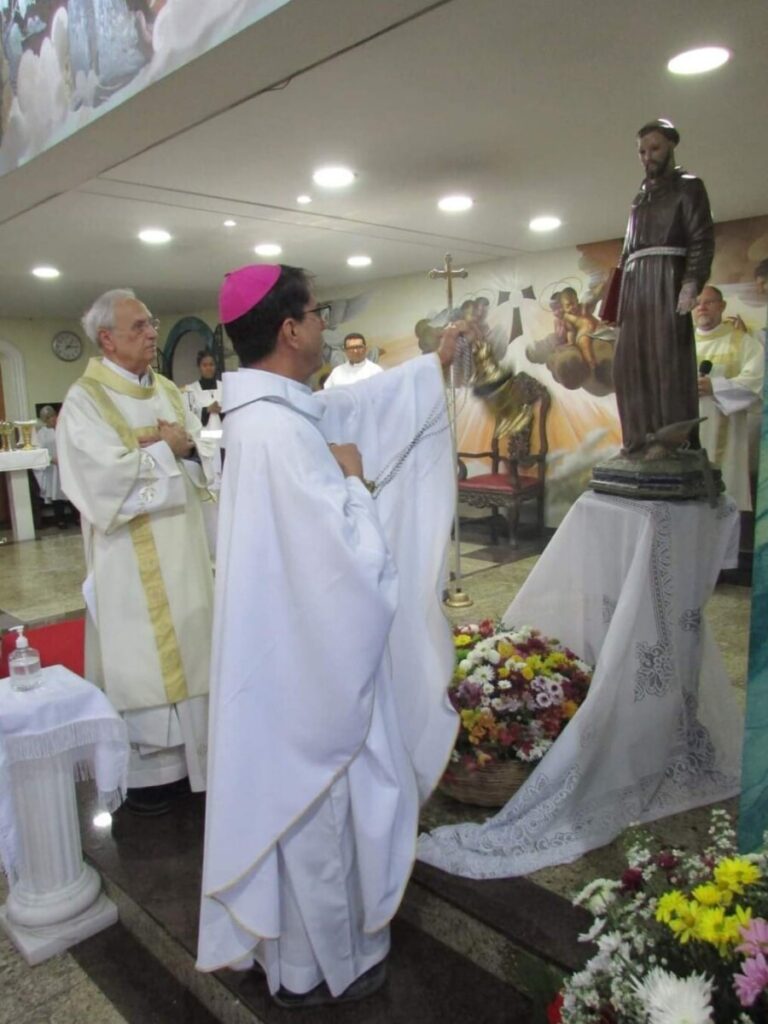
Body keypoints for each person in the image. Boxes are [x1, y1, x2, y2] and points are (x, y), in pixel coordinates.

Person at [197, 264, 460, 1006]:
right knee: (321, 808)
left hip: (284, 660)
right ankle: (326, 965)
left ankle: (298, 960)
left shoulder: (271, 414)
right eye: (316, 314)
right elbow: (346, 567)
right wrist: (355, 483)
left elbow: (352, 412)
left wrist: (432, 366)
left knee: (294, 806)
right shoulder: (279, 432)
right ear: (288, 329)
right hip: (312, 673)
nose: (321, 324)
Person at [57, 289, 216, 815]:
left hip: (184, 551)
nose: (153, 334)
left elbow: (196, 451)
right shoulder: (86, 401)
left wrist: (188, 449)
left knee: (194, 646)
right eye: (140, 327)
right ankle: (153, 775)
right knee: (141, 658)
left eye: (152, 324)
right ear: (107, 338)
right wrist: (166, 451)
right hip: (130, 555)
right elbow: (99, 481)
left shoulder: (169, 390)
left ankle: (200, 761)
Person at [612, 118, 714, 455]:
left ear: (671, 146)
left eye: (654, 148)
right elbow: (627, 252)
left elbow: (700, 238)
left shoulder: (689, 186)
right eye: (642, 151)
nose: (647, 156)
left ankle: (672, 440)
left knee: (667, 358)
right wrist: (615, 299)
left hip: (666, 279)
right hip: (635, 285)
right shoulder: (639, 198)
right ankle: (638, 439)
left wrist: (691, 281)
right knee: (628, 361)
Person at [694, 285, 764, 510]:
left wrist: (716, 387)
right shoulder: (681, 344)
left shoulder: (743, 343)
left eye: (709, 302)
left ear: (722, 306)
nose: (702, 307)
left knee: (722, 509)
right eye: (697, 303)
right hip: (685, 438)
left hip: (725, 439)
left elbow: (757, 382)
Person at [34, 405, 69, 527]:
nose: (52, 419)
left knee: (71, 490)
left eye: (53, 415)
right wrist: (51, 459)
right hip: (52, 468)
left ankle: (77, 518)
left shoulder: (64, 429)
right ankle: (60, 519)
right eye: (48, 417)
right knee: (56, 493)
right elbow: (39, 451)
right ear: (44, 420)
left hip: (67, 466)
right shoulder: (41, 434)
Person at [184, 351, 223, 428]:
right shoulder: (190, 390)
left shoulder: (224, 387)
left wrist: (221, 410)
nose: (208, 368)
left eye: (211, 365)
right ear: (199, 367)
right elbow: (189, 415)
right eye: (204, 365)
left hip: (223, 433)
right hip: (203, 435)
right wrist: (207, 410)